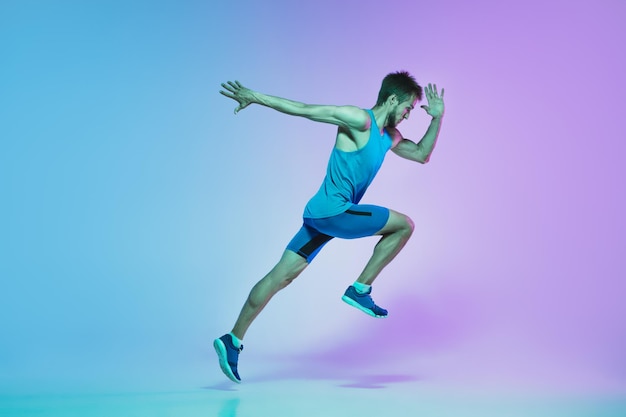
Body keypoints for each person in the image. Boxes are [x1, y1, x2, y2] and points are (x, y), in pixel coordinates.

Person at [214, 71, 445, 383]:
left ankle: (232, 339)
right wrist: (255, 96)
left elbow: (421, 155)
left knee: (281, 277)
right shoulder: (357, 119)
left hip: (320, 216)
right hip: (335, 212)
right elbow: (305, 109)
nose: (407, 115)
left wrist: (436, 119)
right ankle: (359, 289)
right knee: (404, 225)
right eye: (407, 108)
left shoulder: (390, 137)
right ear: (392, 98)